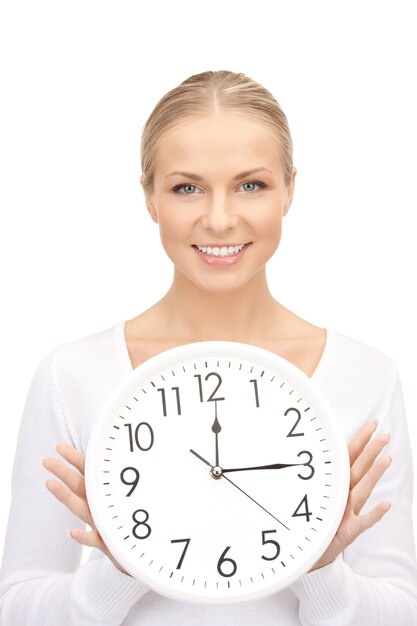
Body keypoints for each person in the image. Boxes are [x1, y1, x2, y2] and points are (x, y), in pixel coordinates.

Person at [1, 69, 416, 625]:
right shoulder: (72, 374)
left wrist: (320, 570)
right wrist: (120, 565)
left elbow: (401, 610)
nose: (220, 220)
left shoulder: (365, 376)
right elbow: (16, 607)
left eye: (251, 185)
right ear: (149, 196)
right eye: (186, 187)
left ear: (290, 188)